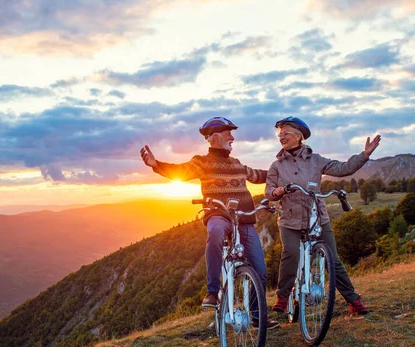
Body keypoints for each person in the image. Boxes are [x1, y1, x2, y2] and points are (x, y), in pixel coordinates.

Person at [140, 116, 279, 329]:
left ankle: (257, 316)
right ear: (214, 138)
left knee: (260, 270)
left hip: (244, 219)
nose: (232, 137)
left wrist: (283, 173)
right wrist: (156, 165)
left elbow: (259, 175)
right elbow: (180, 171)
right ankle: (213, 292)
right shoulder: (202, 162)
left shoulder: (237, 163)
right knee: (215, 233)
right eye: (228, 134)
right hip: (219, 215)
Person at [265, 116, 381, 315]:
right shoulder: (276, 165)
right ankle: (283, 296)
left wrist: (364, 155)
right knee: (291, 253)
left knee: (333, 260)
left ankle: (353, 299)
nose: (281, 137)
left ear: (299, 136)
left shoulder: (316, 160)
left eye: (286, 133)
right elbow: (269, 191)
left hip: (317, 217)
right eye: (279, 135)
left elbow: (343, 168)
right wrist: (277, 192)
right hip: (289, 219)